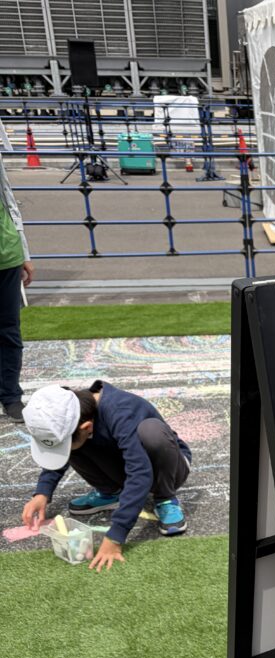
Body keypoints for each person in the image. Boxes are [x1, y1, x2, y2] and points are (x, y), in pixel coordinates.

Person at [21, 381, 191, 571]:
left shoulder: (121, 411)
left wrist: (116, 535)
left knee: (152, 433)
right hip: (124, 461)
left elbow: (139, 472)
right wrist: (42, 493)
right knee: (72, 445)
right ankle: (110, 492)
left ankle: (165, 497)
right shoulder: (74, 413)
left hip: (169, 468)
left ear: (87, 427)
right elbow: (58, 447)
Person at [0, 150, 34, 422]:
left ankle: (10, 396)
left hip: (7, 255)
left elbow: (8, 199)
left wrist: (24, 252)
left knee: (9, 331)